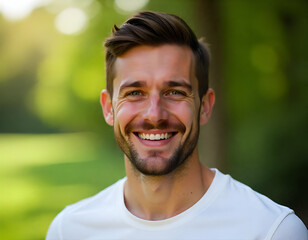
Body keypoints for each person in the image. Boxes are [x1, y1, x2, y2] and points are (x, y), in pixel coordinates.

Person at [46, 11, 307, 240]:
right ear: (108, 108)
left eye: (175, 92)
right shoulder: (70, 231)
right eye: (135, 92)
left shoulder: (272, 231)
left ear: (205, 106)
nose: (154, 114)